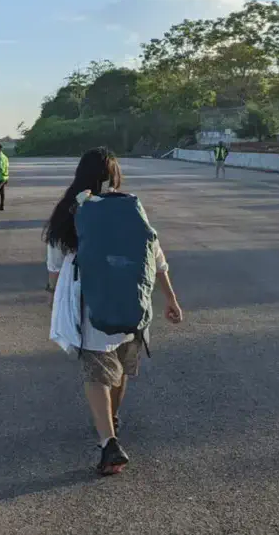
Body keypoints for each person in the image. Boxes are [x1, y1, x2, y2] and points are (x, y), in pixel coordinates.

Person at [45, 147, 184, 476]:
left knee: (96, 374)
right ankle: (112, 421)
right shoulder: (130, 207)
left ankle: (108, 441)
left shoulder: (69, 210)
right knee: (120, 369)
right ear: (115, 175)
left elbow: (54, 264)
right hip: (133, 304)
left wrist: (54, 297)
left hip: (90, 305)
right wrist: (171, 300)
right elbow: (156, 256)